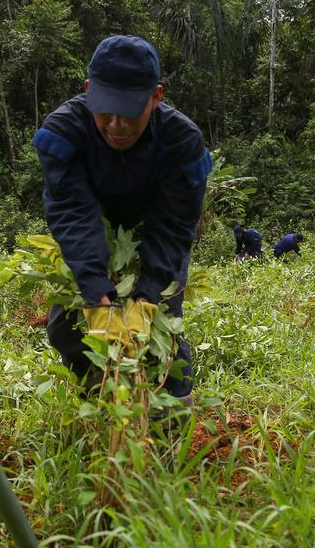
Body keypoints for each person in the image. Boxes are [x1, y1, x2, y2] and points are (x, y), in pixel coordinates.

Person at [33, 35, 211, 406]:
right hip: (96, 227)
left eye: (129, 111)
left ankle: (173, 416)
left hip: (152, 231)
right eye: (105, 109)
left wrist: (145, 298)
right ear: (87, 91)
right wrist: (98, 293)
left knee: (162, 329)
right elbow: (73, 214)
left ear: (156, 96)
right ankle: (98, 400)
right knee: (66, 328)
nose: (116, 124)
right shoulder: (64, 131)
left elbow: (174, 226)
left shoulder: (182, 143)